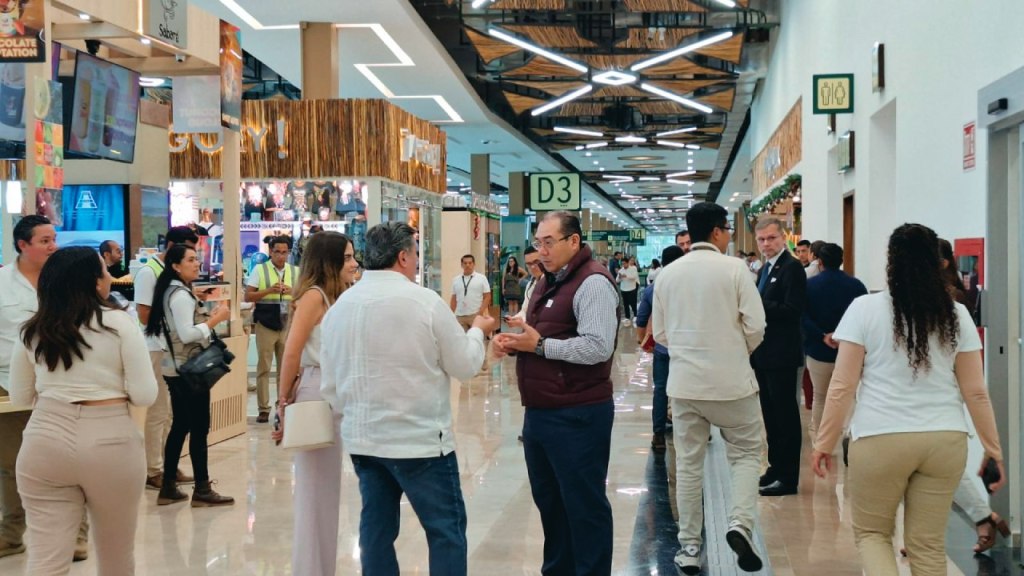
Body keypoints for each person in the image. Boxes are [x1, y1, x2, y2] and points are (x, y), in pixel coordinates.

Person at [812, 223, 1005, 575]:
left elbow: (842, 385)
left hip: (879, 437)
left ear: (891, 263)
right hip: (944, 440)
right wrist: (993, 450)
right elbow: (975, 391)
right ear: (937, 262)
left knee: (873, 535)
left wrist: (823, 442)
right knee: (927, 545)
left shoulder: (864, 309)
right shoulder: (955, 314)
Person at [320, 222, 496, 575]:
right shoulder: (425, 303)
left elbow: (331, 385)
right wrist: (478, 331)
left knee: (376, 530)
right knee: (445, 530)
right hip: (422, 445)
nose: (416, 261)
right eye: (415, 253)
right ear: (402, 257)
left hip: (365, 442)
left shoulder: (339, 308)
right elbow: (463, 365)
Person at [10, 247, 157, 575]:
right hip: (110, 442)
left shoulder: (32, 329)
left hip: (44, 438)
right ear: (94, 282)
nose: (109, 277)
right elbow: (145, 394)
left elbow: (20, 396)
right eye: (104, 272)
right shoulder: (118, 323)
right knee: (116, 558)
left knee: (45, 560)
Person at [492, 211, 620, 576]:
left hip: (578, 413)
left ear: (574, 242)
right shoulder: (549, 281)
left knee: (583, 506)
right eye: (538, 243)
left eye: (549, 243)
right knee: (551, 504)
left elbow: (598, 347)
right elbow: (544, 336)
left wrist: (541, 346)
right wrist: (520, 343)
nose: (542, 251)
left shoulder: (592, 282)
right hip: (542, 412)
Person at [653, 202, 766, 574]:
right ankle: (739, 523)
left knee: (688, 464)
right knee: (748, 454)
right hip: (732, 383)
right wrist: (736, 351)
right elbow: (756, 325)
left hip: (684, 385)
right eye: (728, 230)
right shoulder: (735, 269)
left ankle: (688, 547)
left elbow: (661, 334)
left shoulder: (668, 275)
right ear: (717, 232)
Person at [0, 216, 90, 563]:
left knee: (71, 461)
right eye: (44, 241)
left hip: (61, 381)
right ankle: (10, 532)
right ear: (23, 245)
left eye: (54, 239)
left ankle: (78, 536)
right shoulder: (3, 283)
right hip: (8, 384)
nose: (53, 247)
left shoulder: (67, 283)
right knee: (10, 463)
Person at [271, 232, 357, 576]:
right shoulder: (314, 296)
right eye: (347, 257)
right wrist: (282, 401)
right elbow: (292, 351)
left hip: (333, 390)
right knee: (314, 494)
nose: (353, 263)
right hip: (314, 390)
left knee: (326, 493)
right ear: (329, 261)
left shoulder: (339, 296)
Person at [146, 244, 234, 507]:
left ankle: (169, 486)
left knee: (180, 426)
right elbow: (186, 334)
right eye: (191, 260)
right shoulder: (181, 295)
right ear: (175, 265)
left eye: (197, 259)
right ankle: (203, 489)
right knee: (198, 428)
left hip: (175, 369)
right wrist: (214, 320)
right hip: (189, 371)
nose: (197, 264)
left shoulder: (169, 291)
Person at [135, 226, 199, 491]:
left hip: (173, 350)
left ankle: (168, 465)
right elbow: (143, 314)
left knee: (172, 412)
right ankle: (153, 469)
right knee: (158, 411)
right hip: (156, 348)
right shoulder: (148, 272)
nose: (194, 260)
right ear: (172, 247)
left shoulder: (175, 275)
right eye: (189, 254)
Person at [752, 216, 807, 497]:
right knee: (770, 416)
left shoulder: (792, 268)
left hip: (783, 354)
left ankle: (788, 477)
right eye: (761, 239)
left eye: (771, 238)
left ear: (783, 237)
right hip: (764, 355)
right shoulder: (764, 269)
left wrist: (758, 303)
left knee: (785, 416)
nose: (766, 244)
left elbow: (792, 310)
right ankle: (775, 467)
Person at [802, 243, 866, 435]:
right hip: (849, 351)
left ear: (819, 261)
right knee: (849, 396)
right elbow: (863, 319)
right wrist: (842, 336)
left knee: (820, 397)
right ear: (841, 261)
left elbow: (802, 317)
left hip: (817, 350)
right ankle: (847, 435)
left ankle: (820, 438)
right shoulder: (856, 286)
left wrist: (822, 336)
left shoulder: (809, 285)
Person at [635, 245, 685, 452]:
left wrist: (643, 343)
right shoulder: (688, 285)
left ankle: (658, 435)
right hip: (686, 349)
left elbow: (641, 319)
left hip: (663, 348)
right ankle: (693, 431)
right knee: (687, 391)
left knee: (661, 390)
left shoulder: (653, 288)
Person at [245, 235, 299, 423]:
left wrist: (291, 291)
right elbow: (248, 296)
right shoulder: (260, 270)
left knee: (286, 368)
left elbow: (303, 293)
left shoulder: (295, 271)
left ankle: (282, 406)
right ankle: (263, 408)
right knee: (264, 367)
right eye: (277, 252)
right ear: (270, 251)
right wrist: (269, 290)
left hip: (287, 325)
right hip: (265, 324)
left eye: (285, 252)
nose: (281, 256)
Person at [449, 254, 491, 331]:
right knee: (462, 341)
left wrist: (480, 312)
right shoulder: (456, 280)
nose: (467, 265)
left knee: (477, 338)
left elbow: (487, 296)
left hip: (475, 314)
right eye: (465, 263)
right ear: (461, 265)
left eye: (470, 263)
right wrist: (450, 314)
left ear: (474, 264)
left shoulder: (481, 278)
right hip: (460, 316)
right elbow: (454, 299)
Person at [617, 256, 640, 325]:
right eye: (622, 264)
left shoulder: (633, 268)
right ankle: (627, 316)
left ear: (627, 263)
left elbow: (634, 277)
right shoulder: (621, 270)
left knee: (633, 302)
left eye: (624, 263)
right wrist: (620, 277)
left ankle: (635, 315)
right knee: (625, 304)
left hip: (631, 288)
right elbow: (617, 280)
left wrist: (626, 276)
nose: (623, 265)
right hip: (623, 289)